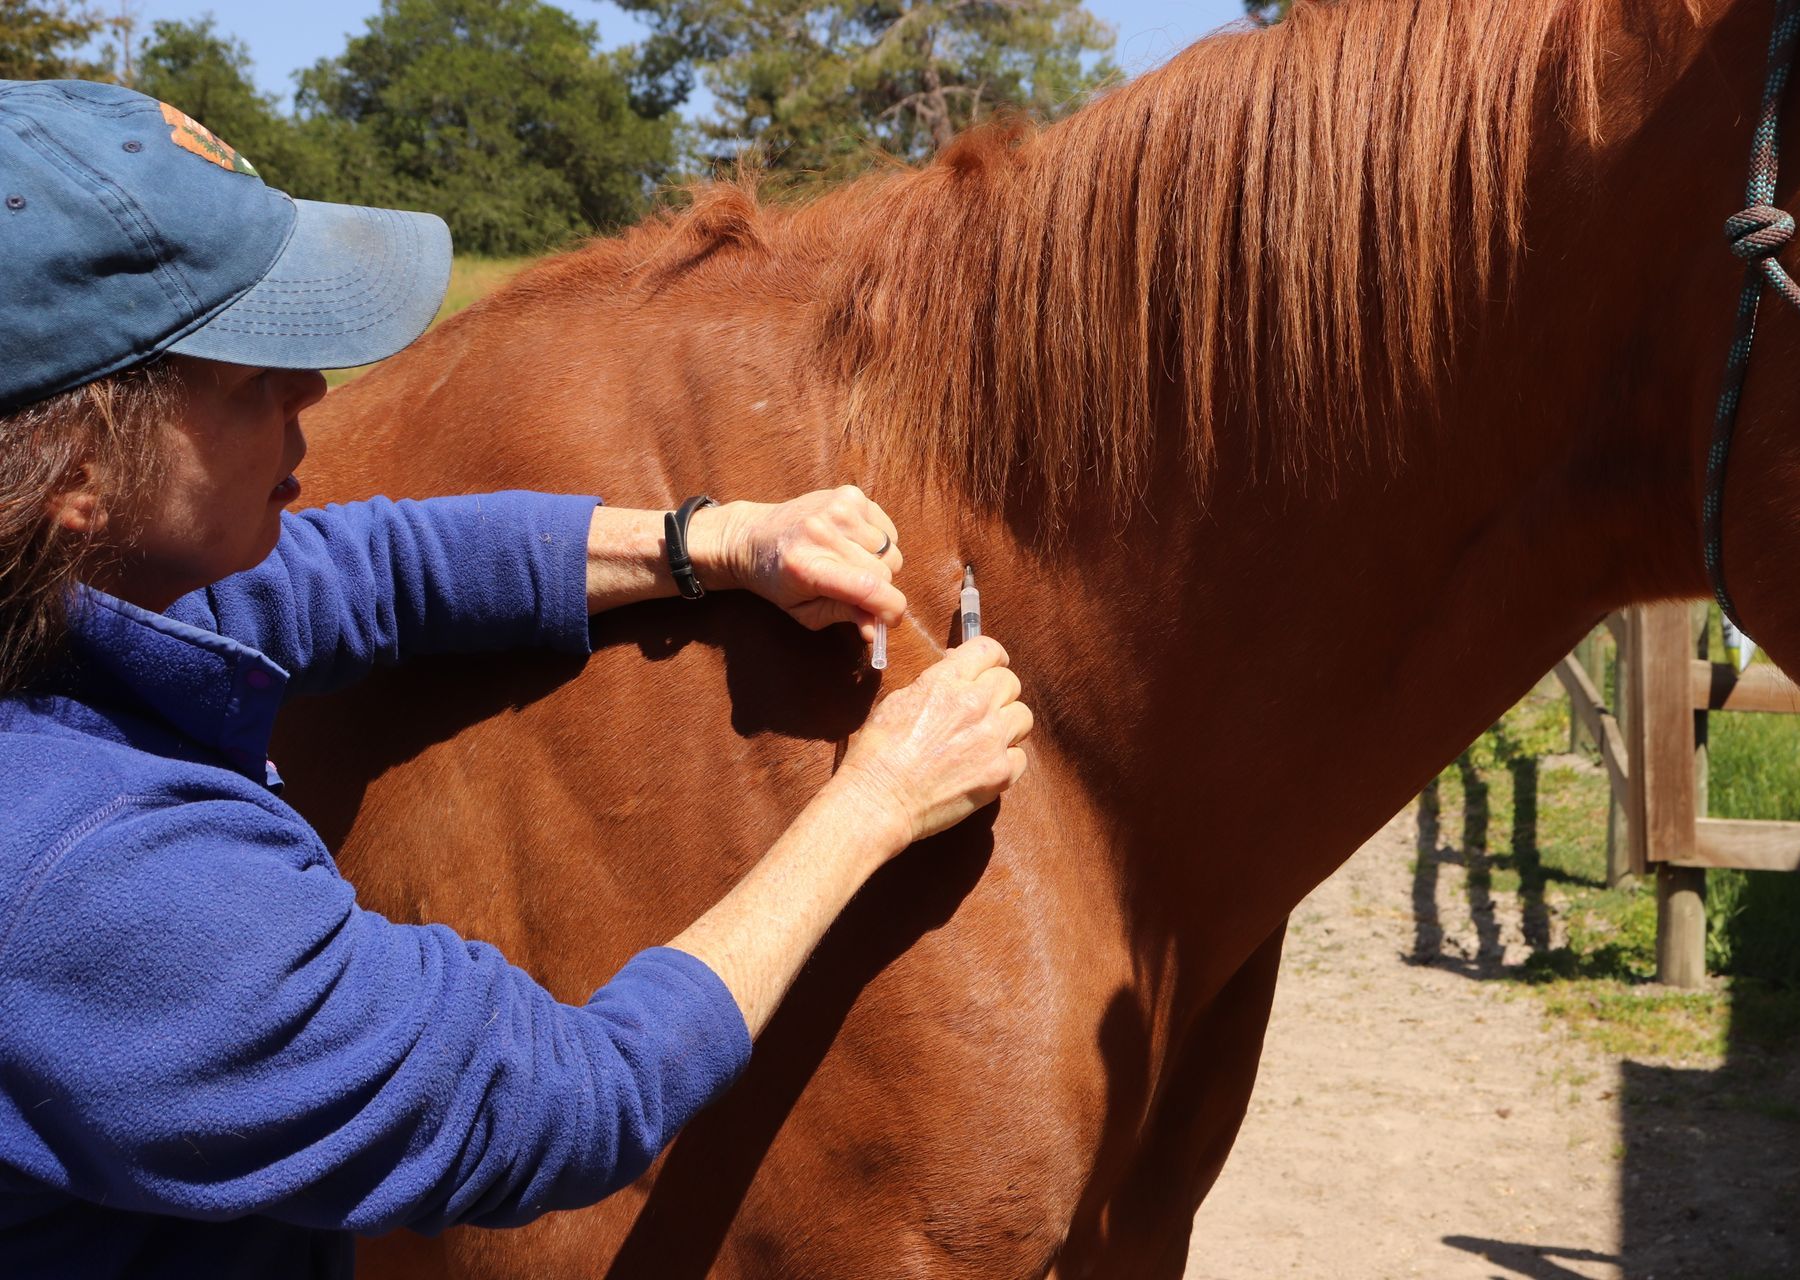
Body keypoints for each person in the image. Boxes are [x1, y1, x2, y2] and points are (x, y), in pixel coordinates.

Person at [0, 80, 1032, 1277]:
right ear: (79, 474)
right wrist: (875, 804)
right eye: (246, 374)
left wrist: (708, 539)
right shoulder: (101, 886)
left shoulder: (69, 603)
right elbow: (572, 1096)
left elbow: (368, 568)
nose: (313, 394)